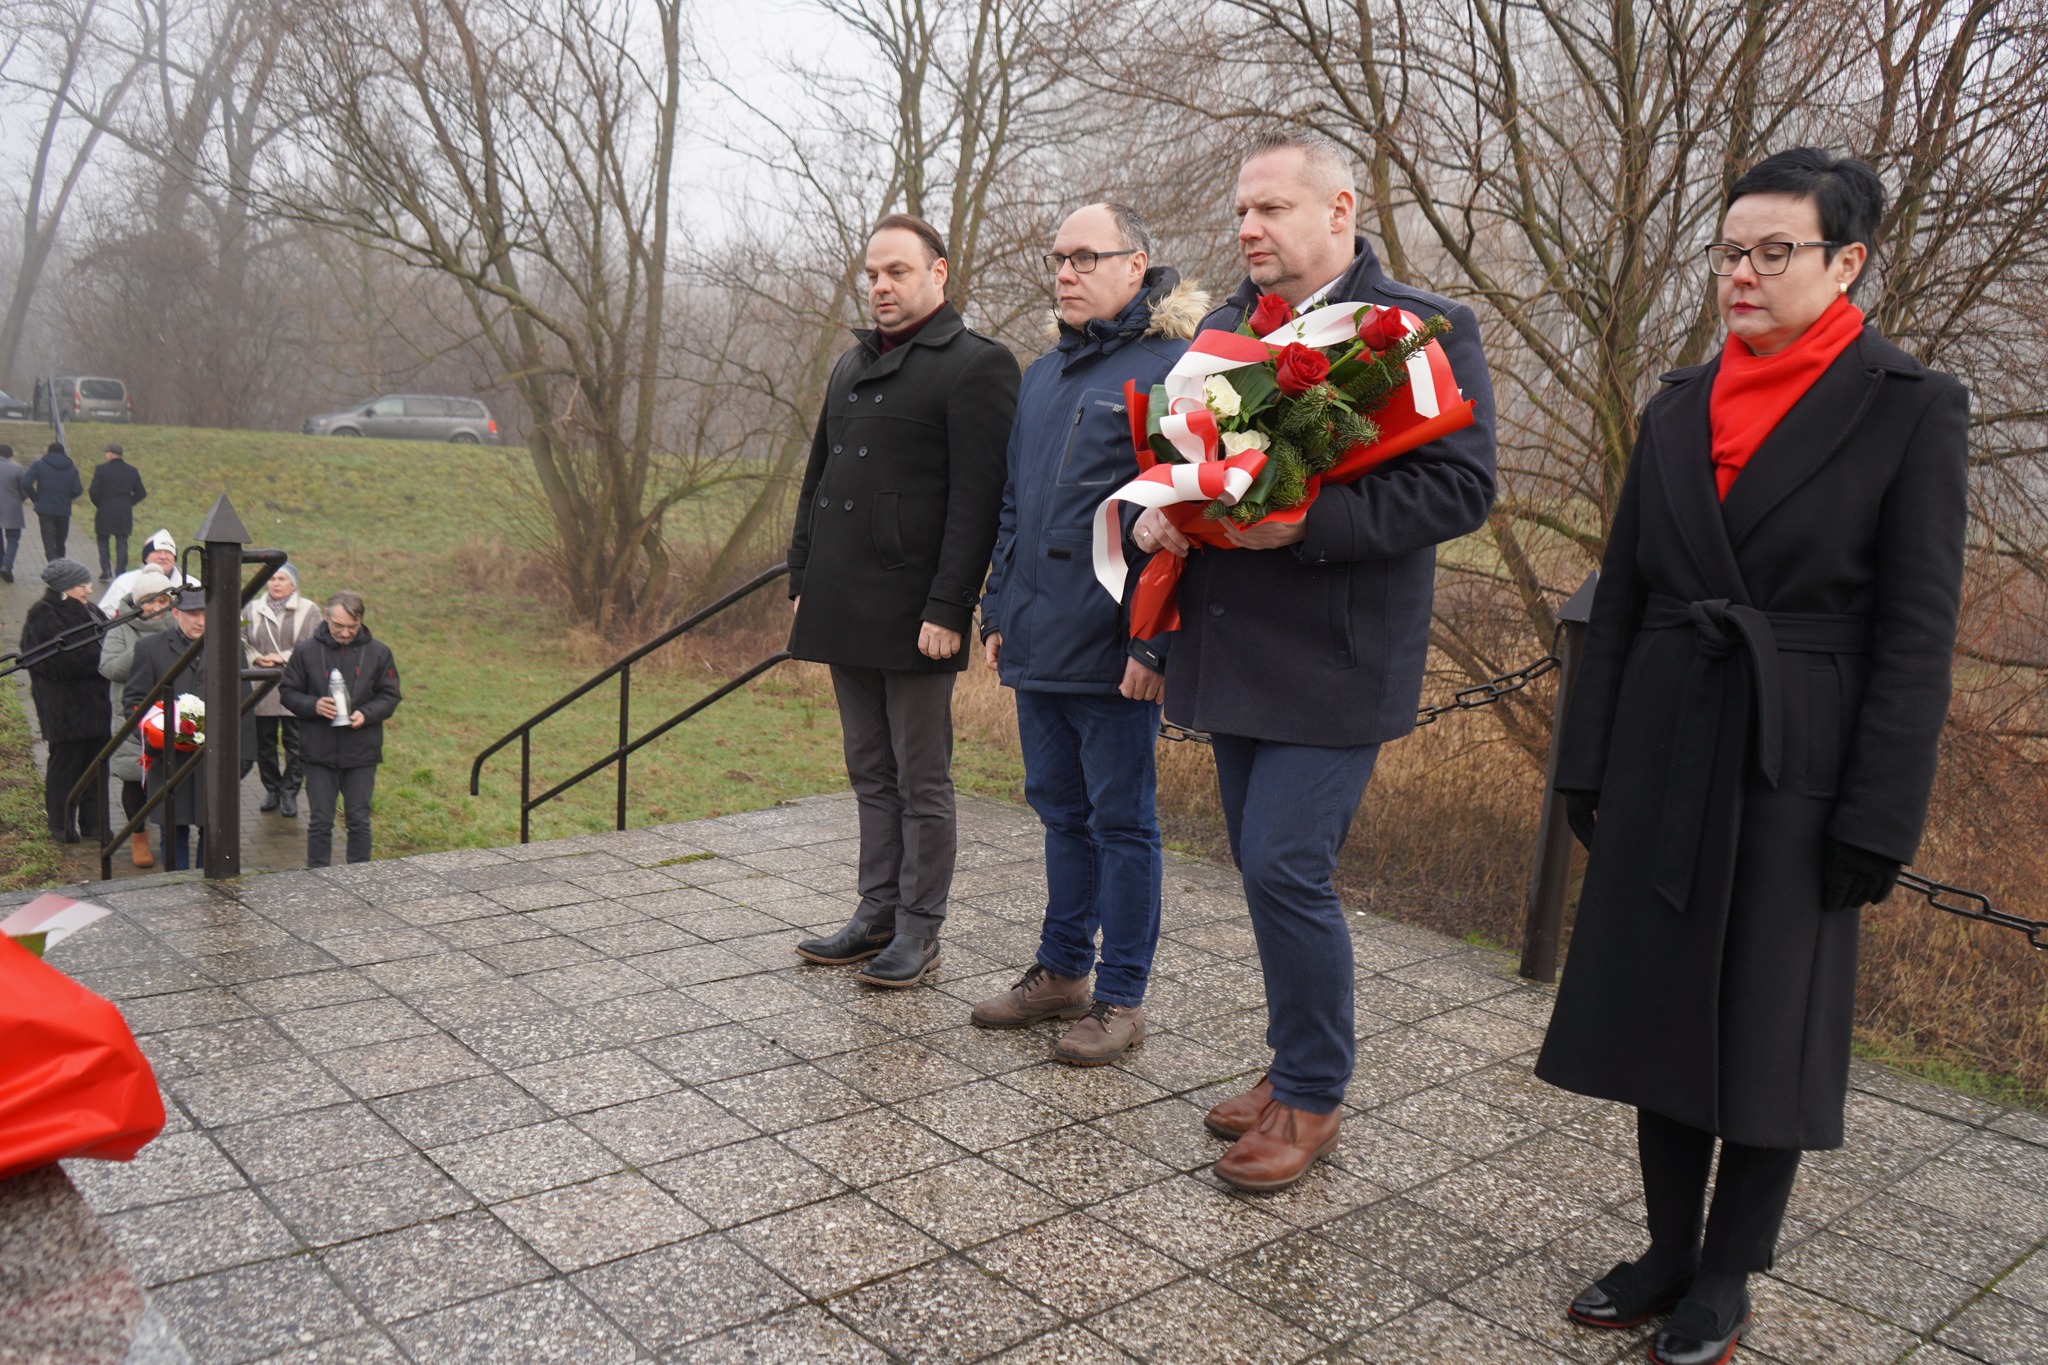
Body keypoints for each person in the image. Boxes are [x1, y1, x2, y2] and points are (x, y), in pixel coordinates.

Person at [1534, 149, 1970, 1365]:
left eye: (1773, 252)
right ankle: (1667, 1248)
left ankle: (1727, 1271)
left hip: (1803, 751)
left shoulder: (1910, 403)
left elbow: (1915, 632)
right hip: (1666, 732)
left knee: (1766, 1020)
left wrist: (1878, 812)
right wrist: (1588, 760)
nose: (1742, 273)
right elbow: (1619, 595)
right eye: (1730, 251)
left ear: (1845, 262)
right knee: (1658, 1007)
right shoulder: (1676, 400)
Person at [1135, 128, 1496, 1190]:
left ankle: (1311, 1096)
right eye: (1242, 211)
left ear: (1339, 211)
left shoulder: (1419, 327)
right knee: (1259, 865)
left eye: (1272, 210)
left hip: (1337, 654)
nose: (1247, 227)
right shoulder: (1221, 328)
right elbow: (1186, 460)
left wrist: (1307, 520)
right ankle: (1290, 1060)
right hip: (1233, 645)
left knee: (1287, 864)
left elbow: (1457, 490)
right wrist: (1168, 510)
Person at [969, 202, 1204, 1063]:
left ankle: (1122, 996)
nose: (1063, 272)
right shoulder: (1043, 375)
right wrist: (999, 609)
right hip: (1036, 637)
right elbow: (1014, 506)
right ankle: (1063, 970)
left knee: (1122, 821)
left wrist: (1154, 645)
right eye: (1056, 258)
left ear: (1135, 265)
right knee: (1060, 812)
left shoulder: (1178, 369)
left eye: (1083, 257)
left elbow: (1192, 520)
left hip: (1115, 649)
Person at [788, 213, 1020, 988]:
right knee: (869, 769)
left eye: (897, 272)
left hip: (919, 613)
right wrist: (801, 580)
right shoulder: (850, 363)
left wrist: (950, 607)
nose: (882, 286)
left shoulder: (977, 366)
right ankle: (875, 911)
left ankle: (920, 929)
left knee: (923, 778)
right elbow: (817, 481)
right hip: (843, 602)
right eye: (873, 274)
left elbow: (978, 503)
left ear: (939, 272)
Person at [122, 587, 252, 870]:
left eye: (207, 614)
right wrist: (154, 737)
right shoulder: (150, 648)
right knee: (173, 828)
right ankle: (175, 885)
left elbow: (244, 701)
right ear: (176, 613)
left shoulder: (230, 647)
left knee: (215, 830)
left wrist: (246, 755)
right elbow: (134, 702)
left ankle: (211, 887)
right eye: (193, 614)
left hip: (215, 759)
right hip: (169, 759)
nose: (201, 621)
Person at [279, 591, 402, 866]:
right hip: (317, 752)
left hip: (361, 753)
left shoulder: (379, 652)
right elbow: (287, 692)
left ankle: (359, 879)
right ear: (326, 615)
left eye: (352, 627)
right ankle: (319, 879)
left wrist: (366, 714)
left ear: (360, 622)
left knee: (359, 820)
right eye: (339, 626)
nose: (345, 633)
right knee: (320, 821)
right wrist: (314, 706)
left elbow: (390, 695)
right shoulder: (306, 651)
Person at [20, 559, 109, 842]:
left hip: (96, 706)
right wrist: (101, 661)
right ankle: (60, 825)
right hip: (65, 710)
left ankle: (95, 823)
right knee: (66, 766)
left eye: (88, 583)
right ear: (63, 587)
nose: (89, 590)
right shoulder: (42, 614)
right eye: (82, 584)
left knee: (97, 767)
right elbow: (54, 662)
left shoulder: (92, 612)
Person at [99, 568, 178, 868]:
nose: (156, 609)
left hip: (173, 715)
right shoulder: (121, 628)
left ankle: (174, 830)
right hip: (133, 717)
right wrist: (145, 650)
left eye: (162, 601)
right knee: (135, 780)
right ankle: (138, 835)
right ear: (137, 602)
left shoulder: (183, 624)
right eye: (149, 602)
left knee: (174, 776)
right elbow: (109, 668)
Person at [244, 564, 320, 818]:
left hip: (295, 685)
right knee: (263, 743)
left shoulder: (309, 610)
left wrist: (282, 656)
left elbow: (314, 642)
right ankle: (272, 789)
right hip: (260, 686)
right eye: (272, 578)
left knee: (295, 744)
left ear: (293, 584)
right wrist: (256, 658)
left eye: (282, 579)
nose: (276, 583)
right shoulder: (251, 608)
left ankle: (290, 791)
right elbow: (239, 638)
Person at [87, 442, 147, 581]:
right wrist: (129, 502)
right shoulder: (132, 470)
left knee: (103, 540)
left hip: (105, 510)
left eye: (106, 453)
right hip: (124, 511)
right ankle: (121, 572)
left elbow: (93, 491)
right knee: (122, 542)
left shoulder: (101, 469)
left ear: (110, 454)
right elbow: (141, 492)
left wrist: (99, 503)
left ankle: (106, 570)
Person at [21, 441, 84, 563]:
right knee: (60, 540)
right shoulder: (71, 467)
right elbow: (77, 489)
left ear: (48, 452)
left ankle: (52, 565)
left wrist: (36, 498)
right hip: (63, 509)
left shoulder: (39, 465)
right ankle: (60, 564)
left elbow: (26, 482)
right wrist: (67, 498)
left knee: (48, 540)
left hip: (45, 509)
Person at [101, 530, 189, 614]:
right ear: (145, 558)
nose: (163, 556)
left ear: (174, 558)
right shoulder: (124, 582)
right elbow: (106, 614)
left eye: (168, 552)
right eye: (157, 551)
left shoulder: (191, 585)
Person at [0, 444, 28, 583]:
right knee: (13, 539)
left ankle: (1, 564)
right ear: (10, 456)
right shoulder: (17, 468)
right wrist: (19, 500)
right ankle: (7, 565)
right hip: (12, 508)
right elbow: (24, 489)